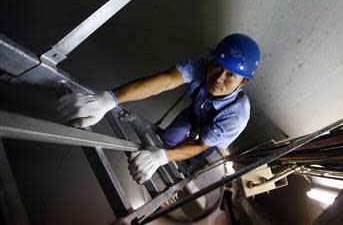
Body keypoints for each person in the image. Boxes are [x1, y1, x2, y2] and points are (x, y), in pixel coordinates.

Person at [57, 33, 260, 184]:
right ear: (212, 60)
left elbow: (201, 145)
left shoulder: (236, 115)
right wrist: (109, 99)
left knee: (199, 152)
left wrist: (162, 158)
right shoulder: (202, 66)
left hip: (212, 127)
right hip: (195, 112)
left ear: (244, 82)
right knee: (170, 138)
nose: (218, 78)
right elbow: (165, 81)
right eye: (218, 66)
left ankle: (188, 164)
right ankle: (171, 151)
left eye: (231, 75)